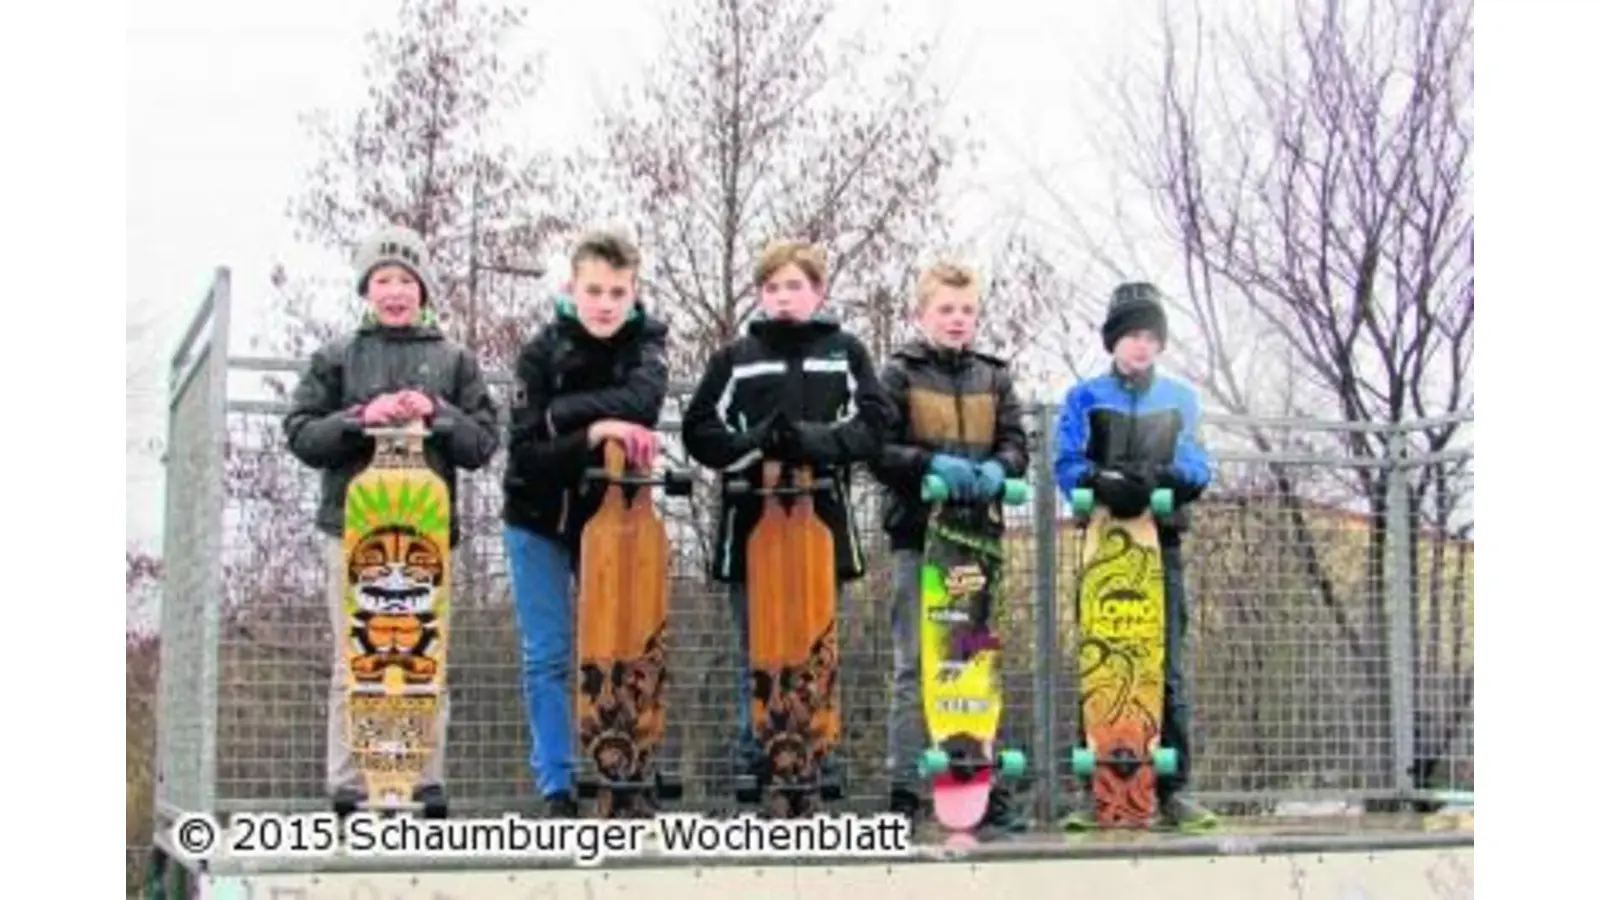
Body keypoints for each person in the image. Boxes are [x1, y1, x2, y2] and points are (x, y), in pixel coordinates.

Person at [282, 224, 500, 819]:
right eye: (384, 279)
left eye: (406, 279)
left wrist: (440, 412)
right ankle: (351, 785)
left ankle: (425, 782)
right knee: (355, 657)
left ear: (423, 288)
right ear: (367, 289)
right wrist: (360, 417)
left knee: (426, 654)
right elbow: (301, 434)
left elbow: (482, 443)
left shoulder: (454, 359)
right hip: (351, 533)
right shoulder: (336, 357)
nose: (395, 290)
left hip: (429, 532)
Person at [680, 238, 895, 778]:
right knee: (757, 642)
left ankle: (821, 751)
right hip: (749, 522)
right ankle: (756, 753)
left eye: (794, 285)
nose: (783, 297)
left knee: (818, 638)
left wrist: (812, 441)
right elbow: (700, 431)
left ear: (818, 291)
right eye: (772, 287)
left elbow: (874, 424)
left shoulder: (846, 352)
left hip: (823, 520)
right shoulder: (735, 358)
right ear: (760, 294)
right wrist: (760, 443)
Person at [500, 230, 670, 818]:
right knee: (547, 653)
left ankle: (622, 773)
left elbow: (643, 404)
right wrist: (597, 432)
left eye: (617, 292)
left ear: (634, 292)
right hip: (537, 518)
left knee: (622, 644)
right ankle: (557, 784)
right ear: (571, 287)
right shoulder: (539, 352)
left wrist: (559, 417)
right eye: (593, 289)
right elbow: (524, 452)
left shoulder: (648, 347)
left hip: (615, 521)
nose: (604, 303)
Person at [868, 261, 1030, 832]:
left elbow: (1016, 443)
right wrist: (928, 465)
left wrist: (997, 469)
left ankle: (978, 782)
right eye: (946, 310)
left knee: (976, 660)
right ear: (923, 314)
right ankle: (906, 790)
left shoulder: (995, 377)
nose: (957, 320)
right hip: (921, 538)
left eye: (966, 311)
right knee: (918, 661)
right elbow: (878, 450)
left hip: (977, 543)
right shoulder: (899, 374)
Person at [1052, 281, 1218, 832]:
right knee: (1101, 664)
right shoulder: (1084, 397)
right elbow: (1066, 463)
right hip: (1103, 547)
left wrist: (1156, 478)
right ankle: (1095, 789)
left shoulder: (1180, 399)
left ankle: (1172, 790)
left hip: (1158, 545)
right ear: (1113, 341)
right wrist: (1101, 482)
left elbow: (1197, 466)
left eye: (1150, 335)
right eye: (1130, 335)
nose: (1140, 345)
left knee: (1163, 668)